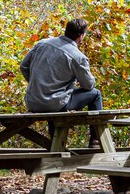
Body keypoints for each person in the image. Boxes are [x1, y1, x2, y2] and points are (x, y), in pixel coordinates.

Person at [20, 18, 103, 148]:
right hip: (54, 104)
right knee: (95, 94)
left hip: (33, 102)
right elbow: (88, 85)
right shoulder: (77, 56)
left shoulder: (42, 44)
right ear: (81, 36)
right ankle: (96, 140)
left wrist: (38, 84)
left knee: (58, 97)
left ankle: (56, 144)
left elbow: (23, 66)